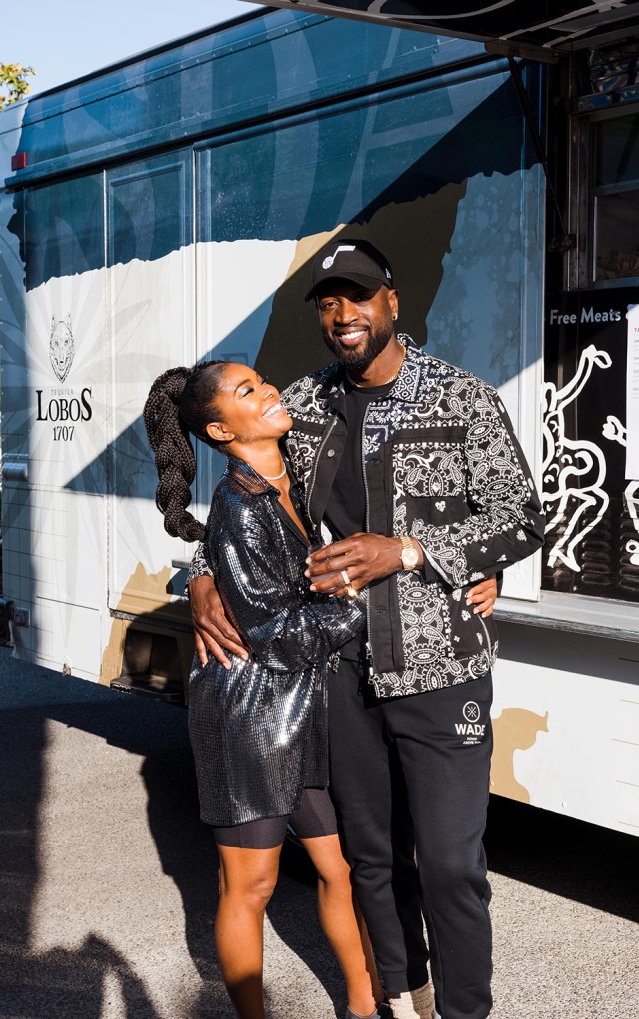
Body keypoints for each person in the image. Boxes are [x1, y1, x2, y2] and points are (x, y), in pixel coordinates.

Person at [188, 239, 544, 1019]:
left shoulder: (462, 399)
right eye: (327, 301)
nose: (342, 314)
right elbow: (240, 492)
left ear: (392, 302)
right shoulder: (305, 405)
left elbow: (522, 517)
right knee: (371, 859)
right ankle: (400, 993)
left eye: (357, 296)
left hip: (440, 666)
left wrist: (418, 550)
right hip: (338, 675)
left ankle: (464, 1011)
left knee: (450, 861)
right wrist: (201, 577)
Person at [143, 361, 389, 1019]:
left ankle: (365, 1005)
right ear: (220, 428)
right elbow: (275, 630)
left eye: (263, 380)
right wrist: (358, 601)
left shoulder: (291, 473)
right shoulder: (240, 505)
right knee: (252, 886)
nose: (270, 390)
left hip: (301, 707)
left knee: (339, 869)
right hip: (250, 713)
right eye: (247, 391)